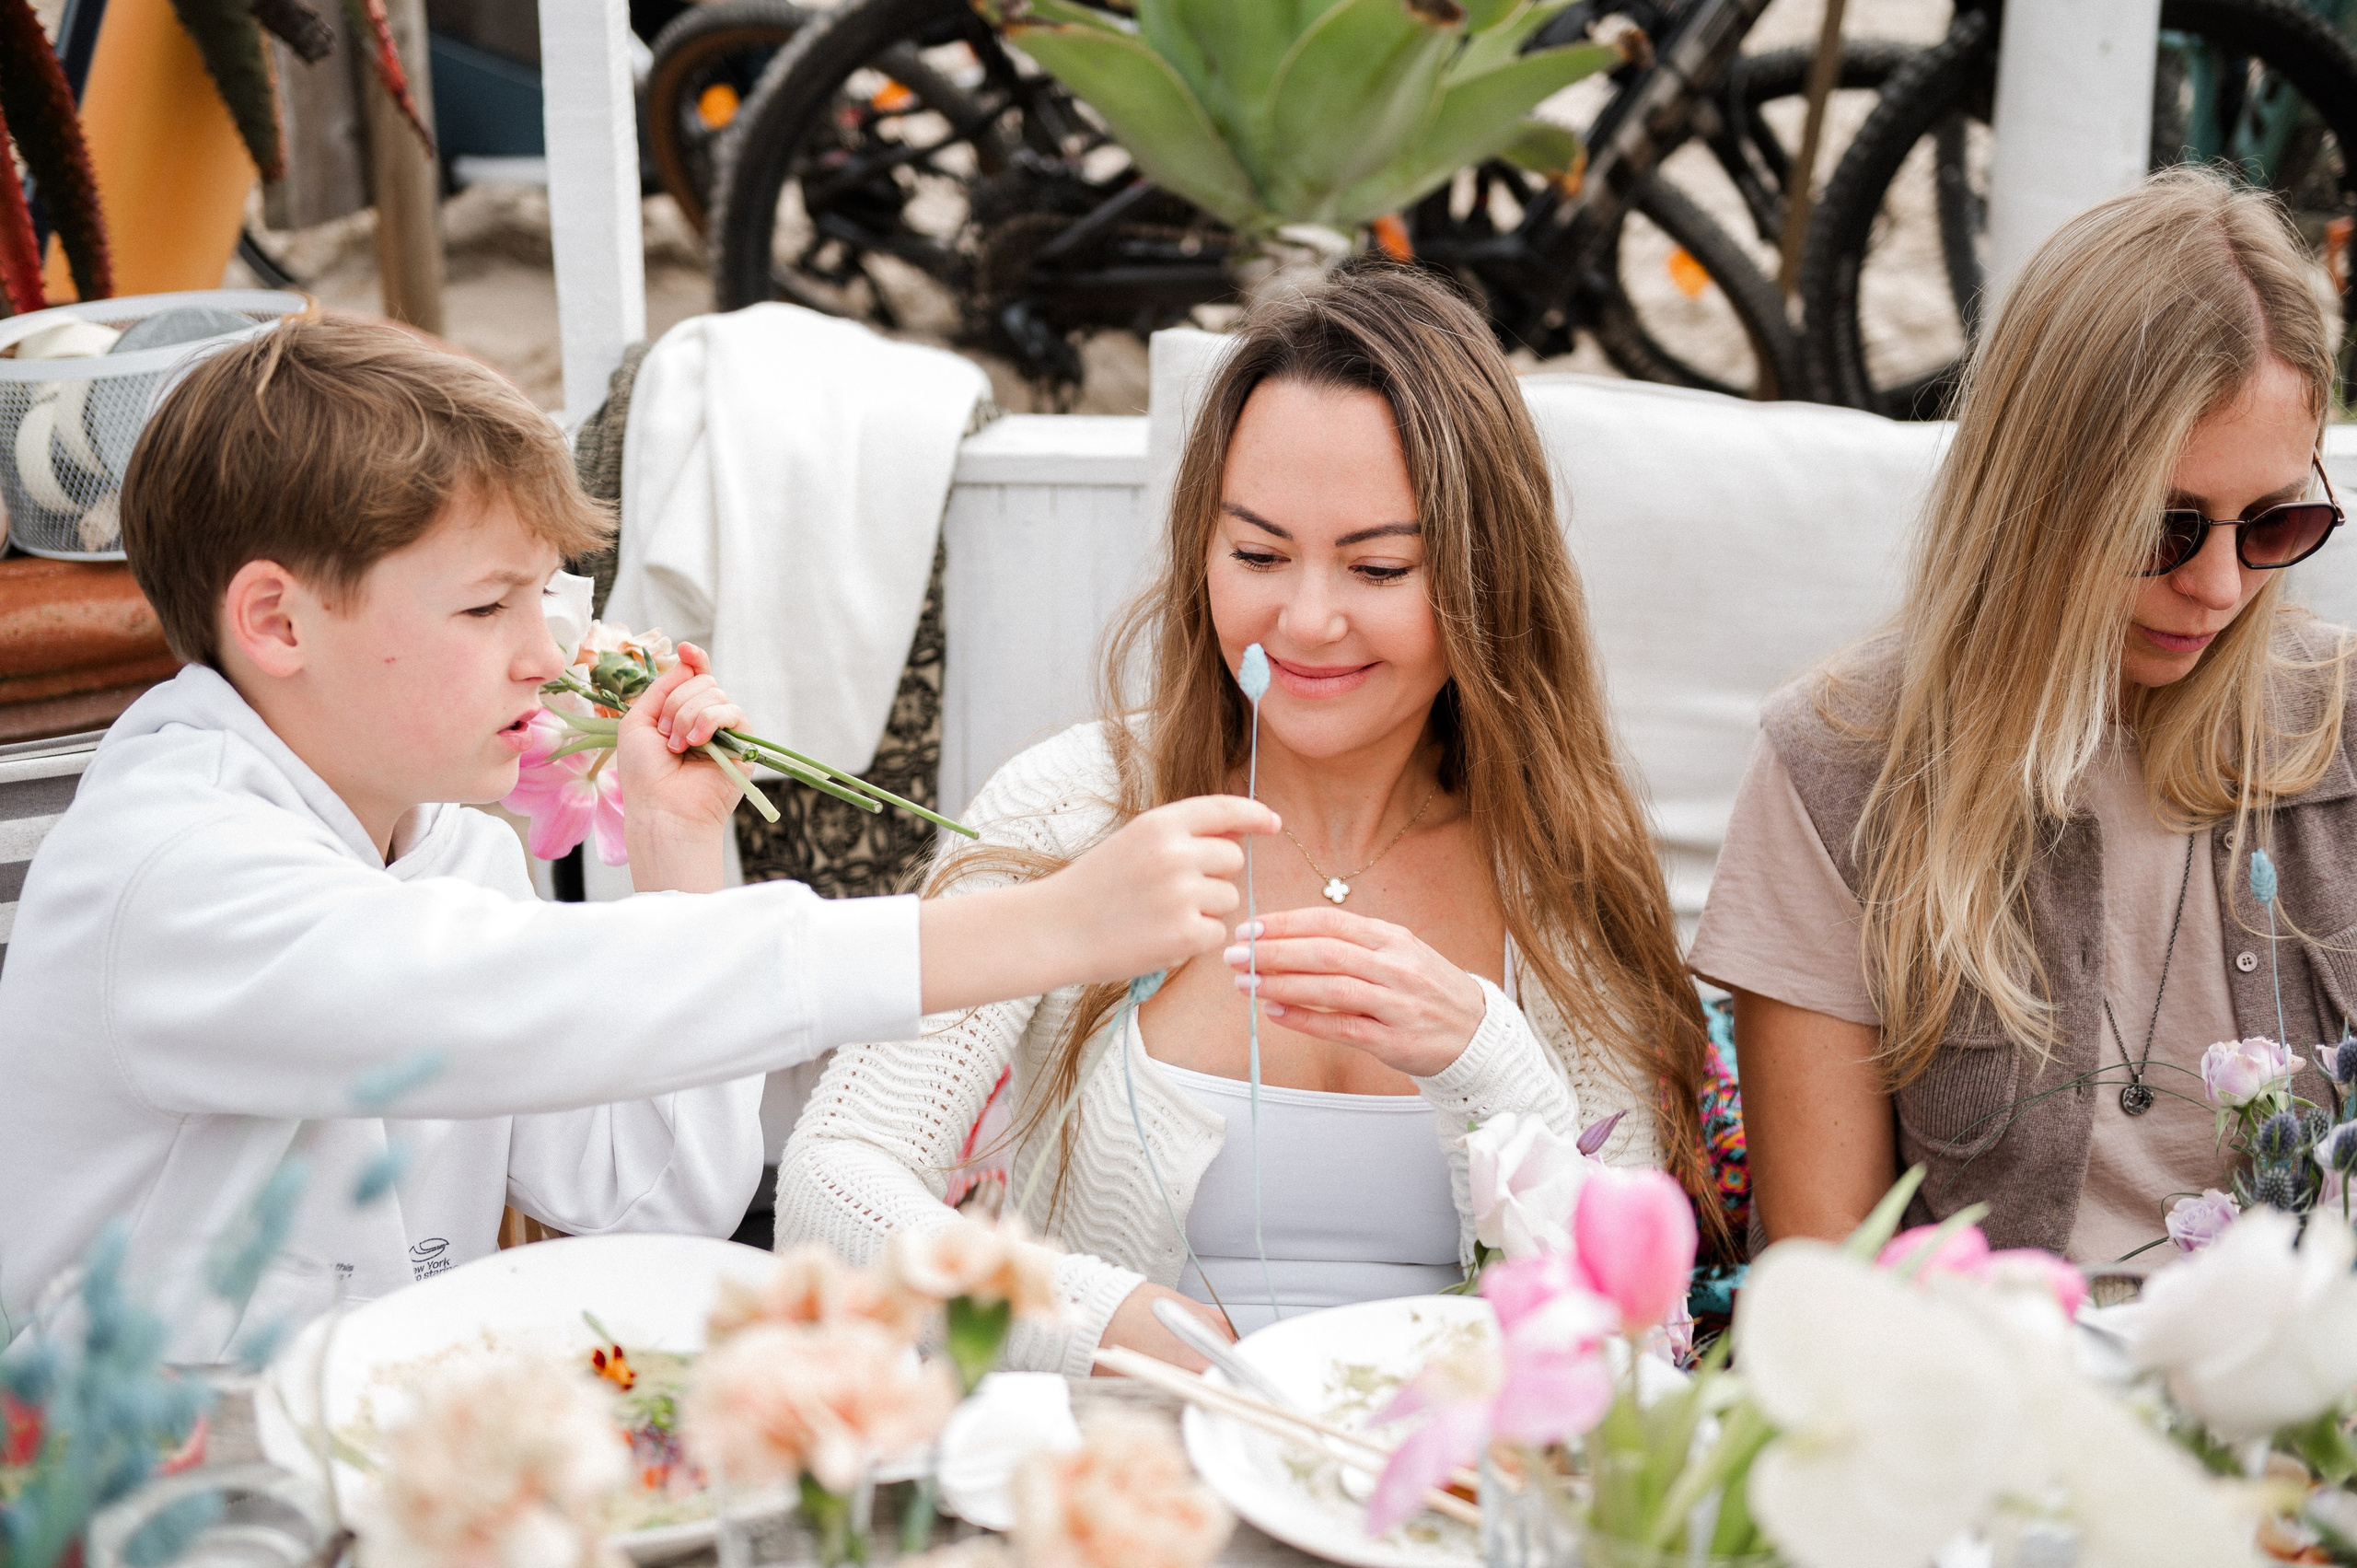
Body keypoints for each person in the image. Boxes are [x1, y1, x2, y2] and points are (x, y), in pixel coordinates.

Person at [0, 318, 1275, 1350]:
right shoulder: (170, 874)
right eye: (490, 603)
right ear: (277, 622)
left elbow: (653, 1194)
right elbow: (500, 991)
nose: (545, 656)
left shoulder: (448, 843)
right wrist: (1045, 926)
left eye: (540, 599)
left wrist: (674, 850)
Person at [776, 262, 1721, 1373]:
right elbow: (827, 1191)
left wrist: (1486, 1059)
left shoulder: (1562, 864)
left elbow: (1630, 1325)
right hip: (1136, 1480)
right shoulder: (1073, 805)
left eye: (1378, 566)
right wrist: (1095, 1322)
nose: (1306, 619)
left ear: (1484, 574)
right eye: (1259, 555)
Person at [1691, 168, 2351, 1279]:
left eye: (2276, 521)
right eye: (2165, 526)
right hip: (1986, 1409)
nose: (2222, 586)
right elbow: (1824, 1282)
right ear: (2037, 489)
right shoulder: (1840, 766)